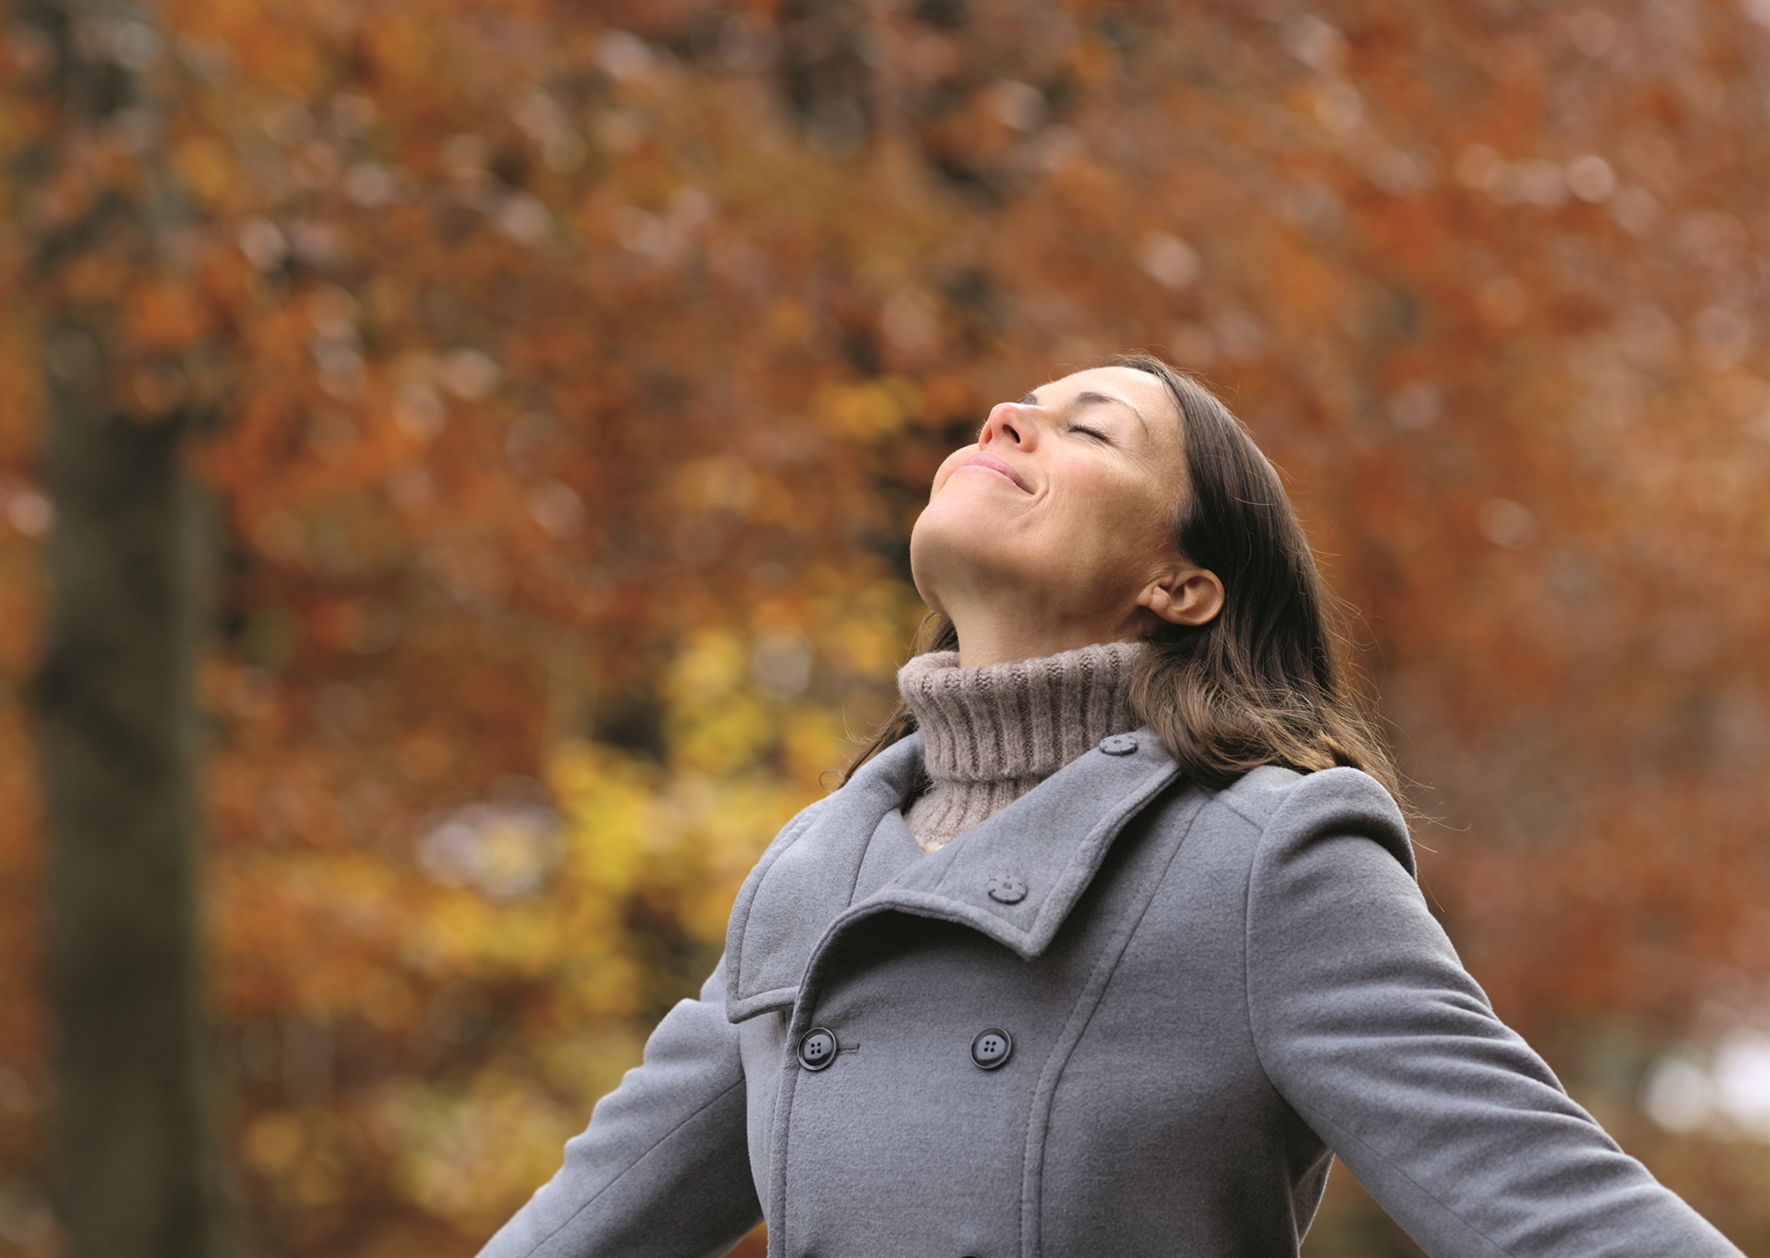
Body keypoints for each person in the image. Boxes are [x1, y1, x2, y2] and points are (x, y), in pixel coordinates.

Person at [479, 354, 1740, 1257]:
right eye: (1014, 411)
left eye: (1087, 432)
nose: (1005, 422)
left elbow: (1552, 1205)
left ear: (1181, 585)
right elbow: (581, 1222)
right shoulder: (812, 875)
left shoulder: (1263, 857)